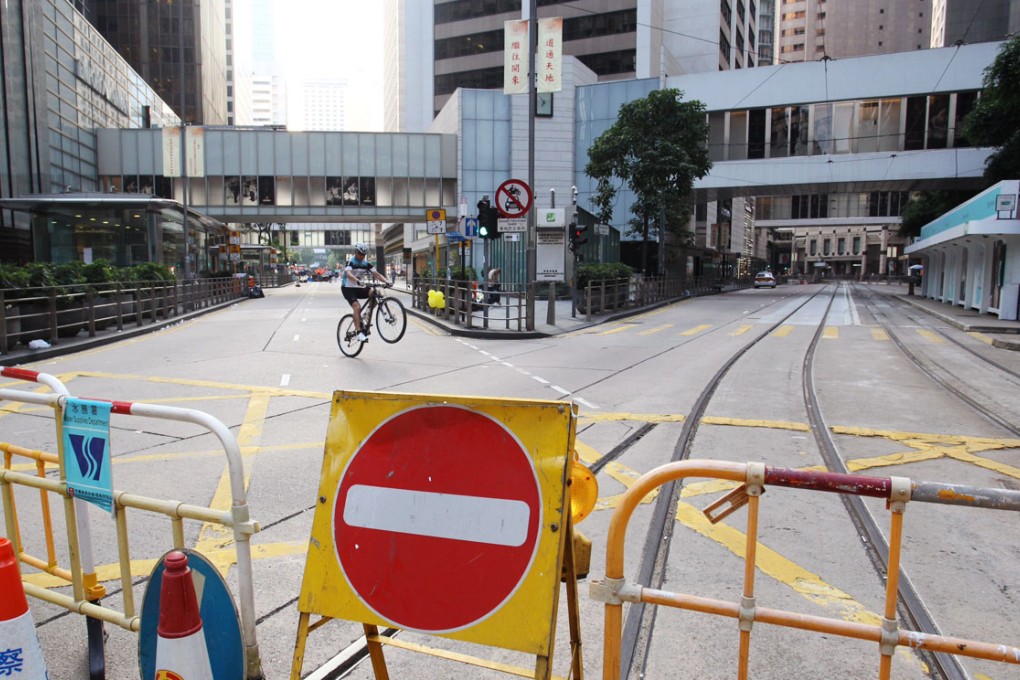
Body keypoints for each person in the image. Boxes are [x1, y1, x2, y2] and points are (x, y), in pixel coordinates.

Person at [342, 243, 390, 342]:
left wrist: (386, 281)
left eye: (364, 254)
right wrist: (357, 280)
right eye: (360, 254)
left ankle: (366, 315)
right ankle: (359, 332)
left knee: (376, 294)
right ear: (356, 252)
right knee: (356, 306)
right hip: (347, 288)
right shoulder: (350, 261)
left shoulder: (366, 264)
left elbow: (376, 274)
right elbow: (348, 273)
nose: (362, 256)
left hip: (358, 287)